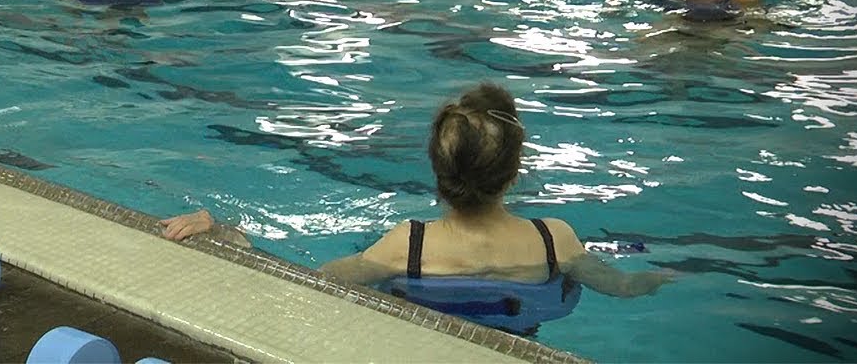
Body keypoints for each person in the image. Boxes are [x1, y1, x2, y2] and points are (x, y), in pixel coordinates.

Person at [160, 83, 671, 306]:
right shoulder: (553, 239)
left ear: (438, 174)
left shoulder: (408, 244)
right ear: (514, 174)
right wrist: (673, 272)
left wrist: (224, 233)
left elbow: (308, 282)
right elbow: (625, 287)